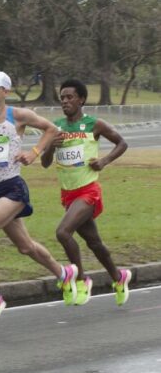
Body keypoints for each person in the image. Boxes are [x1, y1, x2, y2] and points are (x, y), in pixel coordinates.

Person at [0, 71, 78, 325]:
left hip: (13, 188)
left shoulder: (18, 115)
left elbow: (51, 128)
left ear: (5, 92)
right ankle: (64, 273)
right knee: (25, 247)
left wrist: (34, 152)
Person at [41, 79, 131, 306]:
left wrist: (104, 161)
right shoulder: (56, 127)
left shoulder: (94, 124)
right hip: (68, 194)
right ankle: (119, 278)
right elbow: (44, 163)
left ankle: (81, 280)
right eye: (62, 98)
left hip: (88, 191)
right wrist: (52, 145)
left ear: (81, 99)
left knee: (63, 232)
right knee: (94, 242)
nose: (65, 101)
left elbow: (122, 143)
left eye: (70, 97)